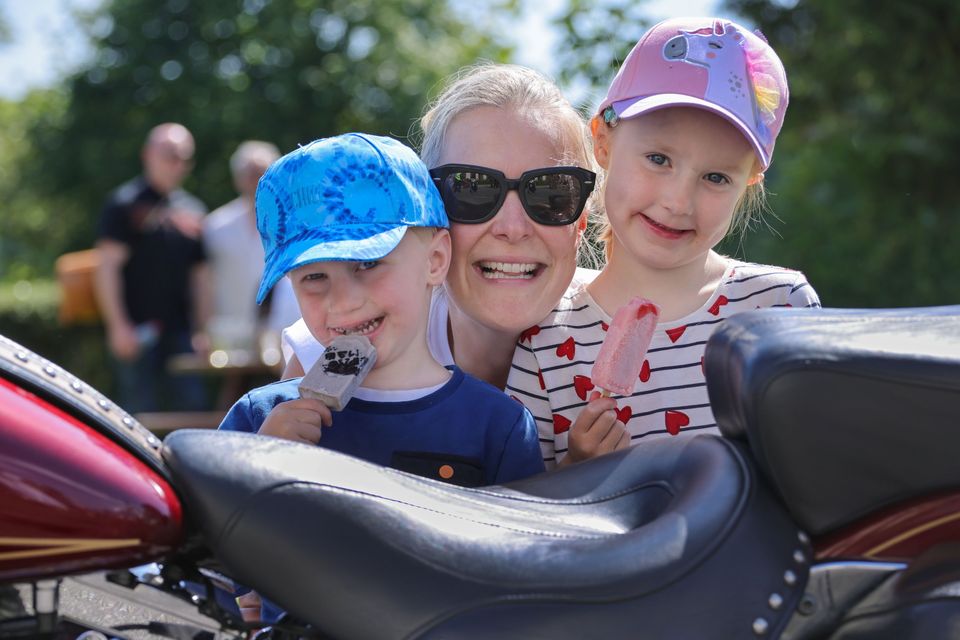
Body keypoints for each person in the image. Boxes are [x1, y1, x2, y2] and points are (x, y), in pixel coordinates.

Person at [506, 17, 822, 468]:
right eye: (658, 159)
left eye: (716, 177)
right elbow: (517, 512)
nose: (678, 202)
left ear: (748, 184)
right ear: (603, 142)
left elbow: (821, 472)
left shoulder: (778, 307)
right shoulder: (546, 335)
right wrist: (575, 468)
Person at [219, 132, 544, 484]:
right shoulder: (258, 418)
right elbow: (206, 532)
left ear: (435, 260)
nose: (343, 300)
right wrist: (254, 467)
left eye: (368, 264)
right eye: (314, 276)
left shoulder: (495, 426)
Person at [280, 63, 600, 392]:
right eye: (472, 189)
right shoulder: (345, 334)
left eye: (553, 193)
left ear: (580, 223)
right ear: (430, 215)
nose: (513, 227)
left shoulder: (639, 332)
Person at [95, 122, 210, 413]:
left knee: (192, 413)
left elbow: (200, 277)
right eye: (170, 154)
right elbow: (107, 269)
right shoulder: (124, 204)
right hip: (137, 333)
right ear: (148, 154)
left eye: (185, 157)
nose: (178, 163)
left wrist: (202, 330)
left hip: (182, 334)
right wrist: (118, 327)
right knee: (138, 417)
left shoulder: (193, 211)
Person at [203, 140, 300, 353]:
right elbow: (204, 282)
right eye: (249, 172)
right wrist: (204, 328)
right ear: (237, 178)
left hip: (283, 334)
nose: (255, 180)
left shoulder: (295, 224)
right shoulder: (215, 226)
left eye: (261, 172)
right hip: (230, 335)